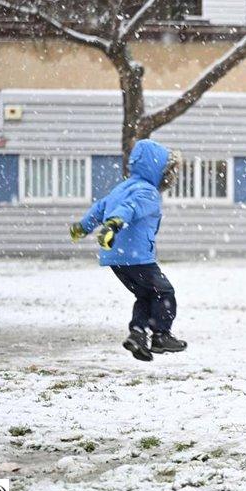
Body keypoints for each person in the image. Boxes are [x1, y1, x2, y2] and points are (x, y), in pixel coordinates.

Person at [69, 139, 185, 362]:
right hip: (138, 257)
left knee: (145, 295)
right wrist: (113, 224)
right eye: (167, 172)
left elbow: (99, 208)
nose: (169, 177)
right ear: (156, 170)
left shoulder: (120, 189)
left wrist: (82, 227)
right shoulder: (148, 193)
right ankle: (161, 335)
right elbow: (128, 209)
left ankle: (138, 334)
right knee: (164, 293)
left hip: (116, 258)